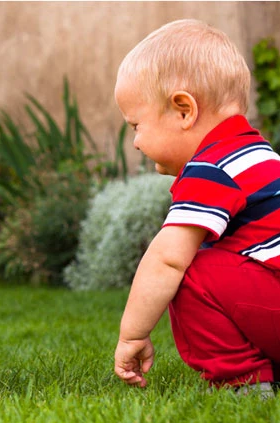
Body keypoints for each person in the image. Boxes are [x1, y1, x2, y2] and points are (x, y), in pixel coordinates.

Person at [113, 19, 280, 392]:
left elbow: (167, 259)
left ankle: (243, 380)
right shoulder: (258, 154)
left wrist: (131, 335)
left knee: (190, 271)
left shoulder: (212, 166)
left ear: (183, 110)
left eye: (136, 125)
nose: (137, 143)